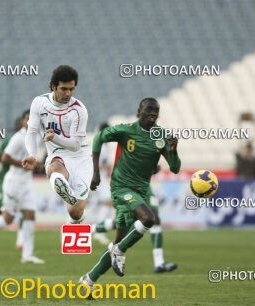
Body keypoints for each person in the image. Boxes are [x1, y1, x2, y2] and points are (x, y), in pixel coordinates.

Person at [79, 98, 181, 291]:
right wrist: (95, 172)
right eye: (148, 111)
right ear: (138, 112)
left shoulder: (162, 136)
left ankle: (89, 280)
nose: (152, 115)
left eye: (155, 112)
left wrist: (173, 151)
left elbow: (175, 168)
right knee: (149, 218)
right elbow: (99, 137)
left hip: (140, 190)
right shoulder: (125, 130)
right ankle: (120, 250)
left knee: (119, 238)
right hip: (121, 187)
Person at [0, 110, 45, 264]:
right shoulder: (19, 138)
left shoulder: (36, 137)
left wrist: (38, 165)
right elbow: (4, 157)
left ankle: (27, 255)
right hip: (14, 182)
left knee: (30, 215)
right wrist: (23, 164)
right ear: (23, 121)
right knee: (8, 218)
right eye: (27, 119)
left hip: (25, 183)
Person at [22, 65, 92, 224]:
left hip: (80, 158)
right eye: (64, 89)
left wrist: (55, 138)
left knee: (75, 212)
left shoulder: (79, 111)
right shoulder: (39, 103)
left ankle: (75, 216)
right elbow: (32, 132)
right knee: (54, 170)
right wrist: (32, 155)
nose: (68, 93)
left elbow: (75, 145)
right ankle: (58, 180)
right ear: (53, 87)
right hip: (57, 155)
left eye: (72, 89)